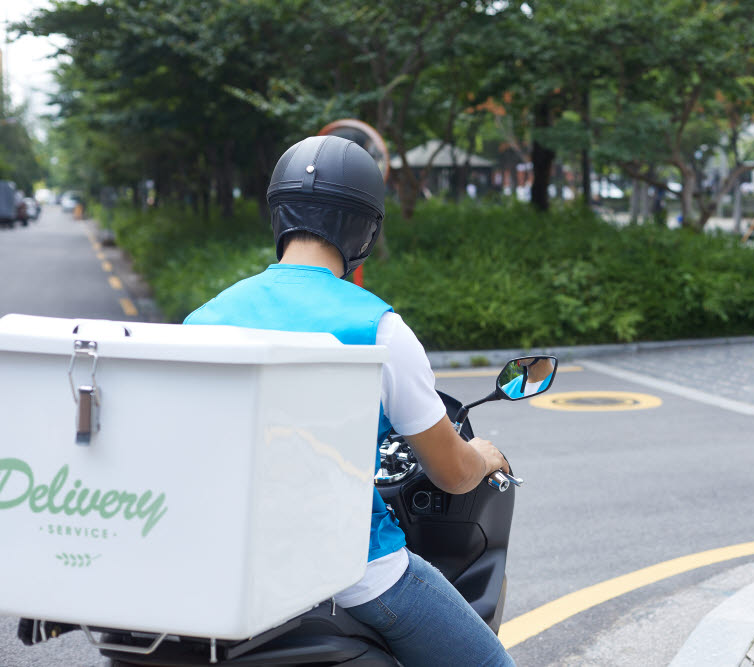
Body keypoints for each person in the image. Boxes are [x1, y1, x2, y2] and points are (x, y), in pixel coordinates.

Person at [184, 135, 515, 666]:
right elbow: (453, 474)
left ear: (280, 216)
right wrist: (485, 455)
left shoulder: (204, 320)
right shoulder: (380, 328)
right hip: (355, 574)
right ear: (364, 228)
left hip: (226, 565)